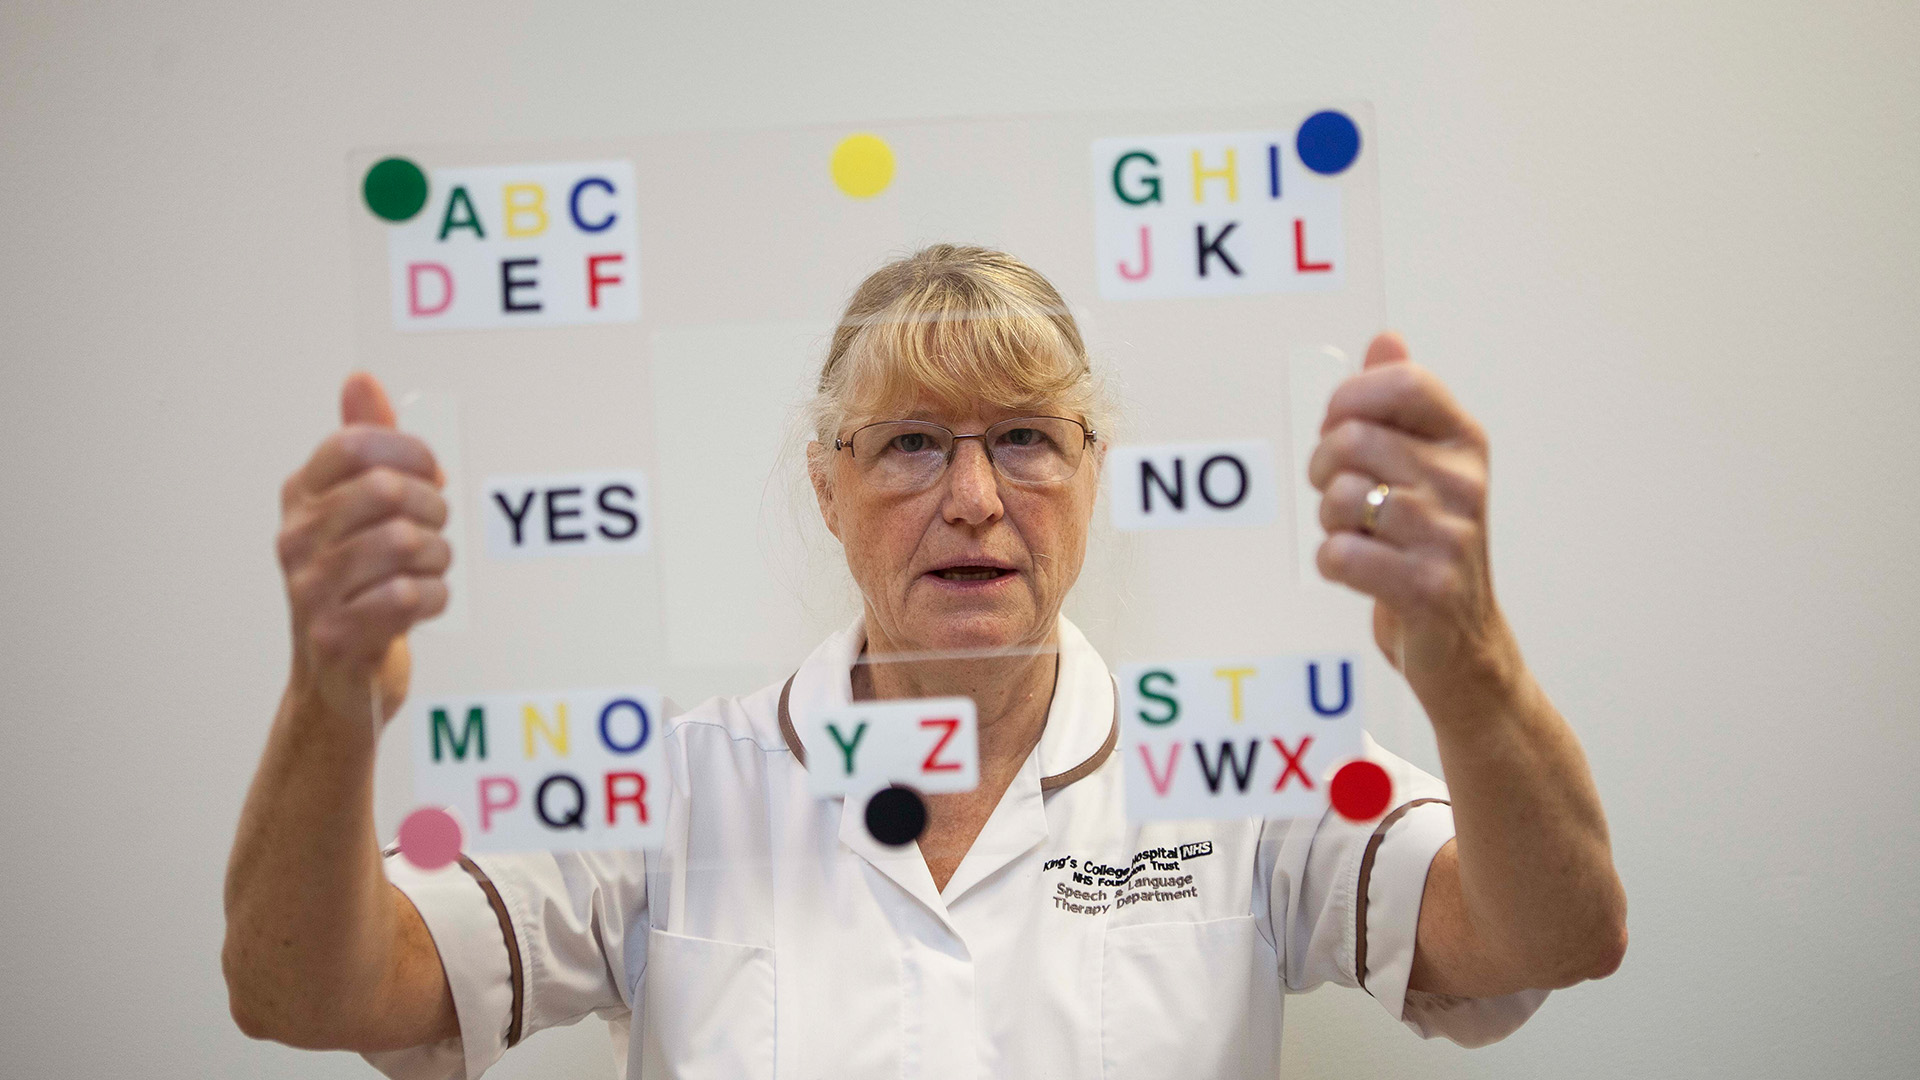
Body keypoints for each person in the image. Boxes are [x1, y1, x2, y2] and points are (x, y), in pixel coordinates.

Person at [223, 245, 1626, 1078]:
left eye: (1023, 435)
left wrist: (1469, 658)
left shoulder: (1244, 762)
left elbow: (1548, 938)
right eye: (909, 443)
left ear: (1092, 474)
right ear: (827, 489)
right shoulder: (672, 780)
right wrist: (330, 700)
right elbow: (309, 990)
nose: (971, 497)